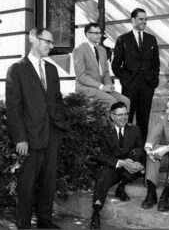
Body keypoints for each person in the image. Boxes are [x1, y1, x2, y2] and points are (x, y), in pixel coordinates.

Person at [5, 27, 67, 229]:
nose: (51, 45)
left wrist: (60, 126)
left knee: (49, 182)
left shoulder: (51, 69)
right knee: (27, 183)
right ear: (33, 38)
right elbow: (14, 109)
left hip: (52, 134)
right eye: (47, 41)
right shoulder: (17, 69)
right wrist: (20, 138)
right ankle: (23, 223)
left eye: (51, 42)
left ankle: (45, 220)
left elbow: (57, 101)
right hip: (30, 138)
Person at [90, 102, 146, 229]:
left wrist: (141, 166)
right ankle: (96, 213)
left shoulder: (135, 130)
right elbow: (99, 155)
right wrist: (120, 162)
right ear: (112, 116)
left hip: (131, 169)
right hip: (113, 168)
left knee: (138, 152)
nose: (124, 117)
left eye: (126, 114)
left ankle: (122, 185)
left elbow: (141, 151)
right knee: (103, 172)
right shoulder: (104, 131)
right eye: (119, 114)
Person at [112, 8, 160, 140]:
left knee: (143, 121)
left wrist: (154, 80)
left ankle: (141, 151)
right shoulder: (123, 39)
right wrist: (124, 80)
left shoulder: (151, 39)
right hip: (130, 86)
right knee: (125, 120)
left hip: (147, 86)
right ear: (133, 20)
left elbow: (156, 63)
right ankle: (125, 149)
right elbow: (116, 65)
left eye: (146, 19)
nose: (144, 21)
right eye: (141, 19)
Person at [73, 23, 130, 112]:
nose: (99, 35)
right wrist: (101, 86)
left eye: (100, 33)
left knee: (126, 101)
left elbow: (106, 72)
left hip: (101, 87)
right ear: (87, 34)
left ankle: (121, 126)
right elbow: (81, 77)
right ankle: (110, 126)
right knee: (112, 101)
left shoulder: (102, 50)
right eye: (96, 33)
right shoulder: (79, 50)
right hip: (87, 88)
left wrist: (109, 85)